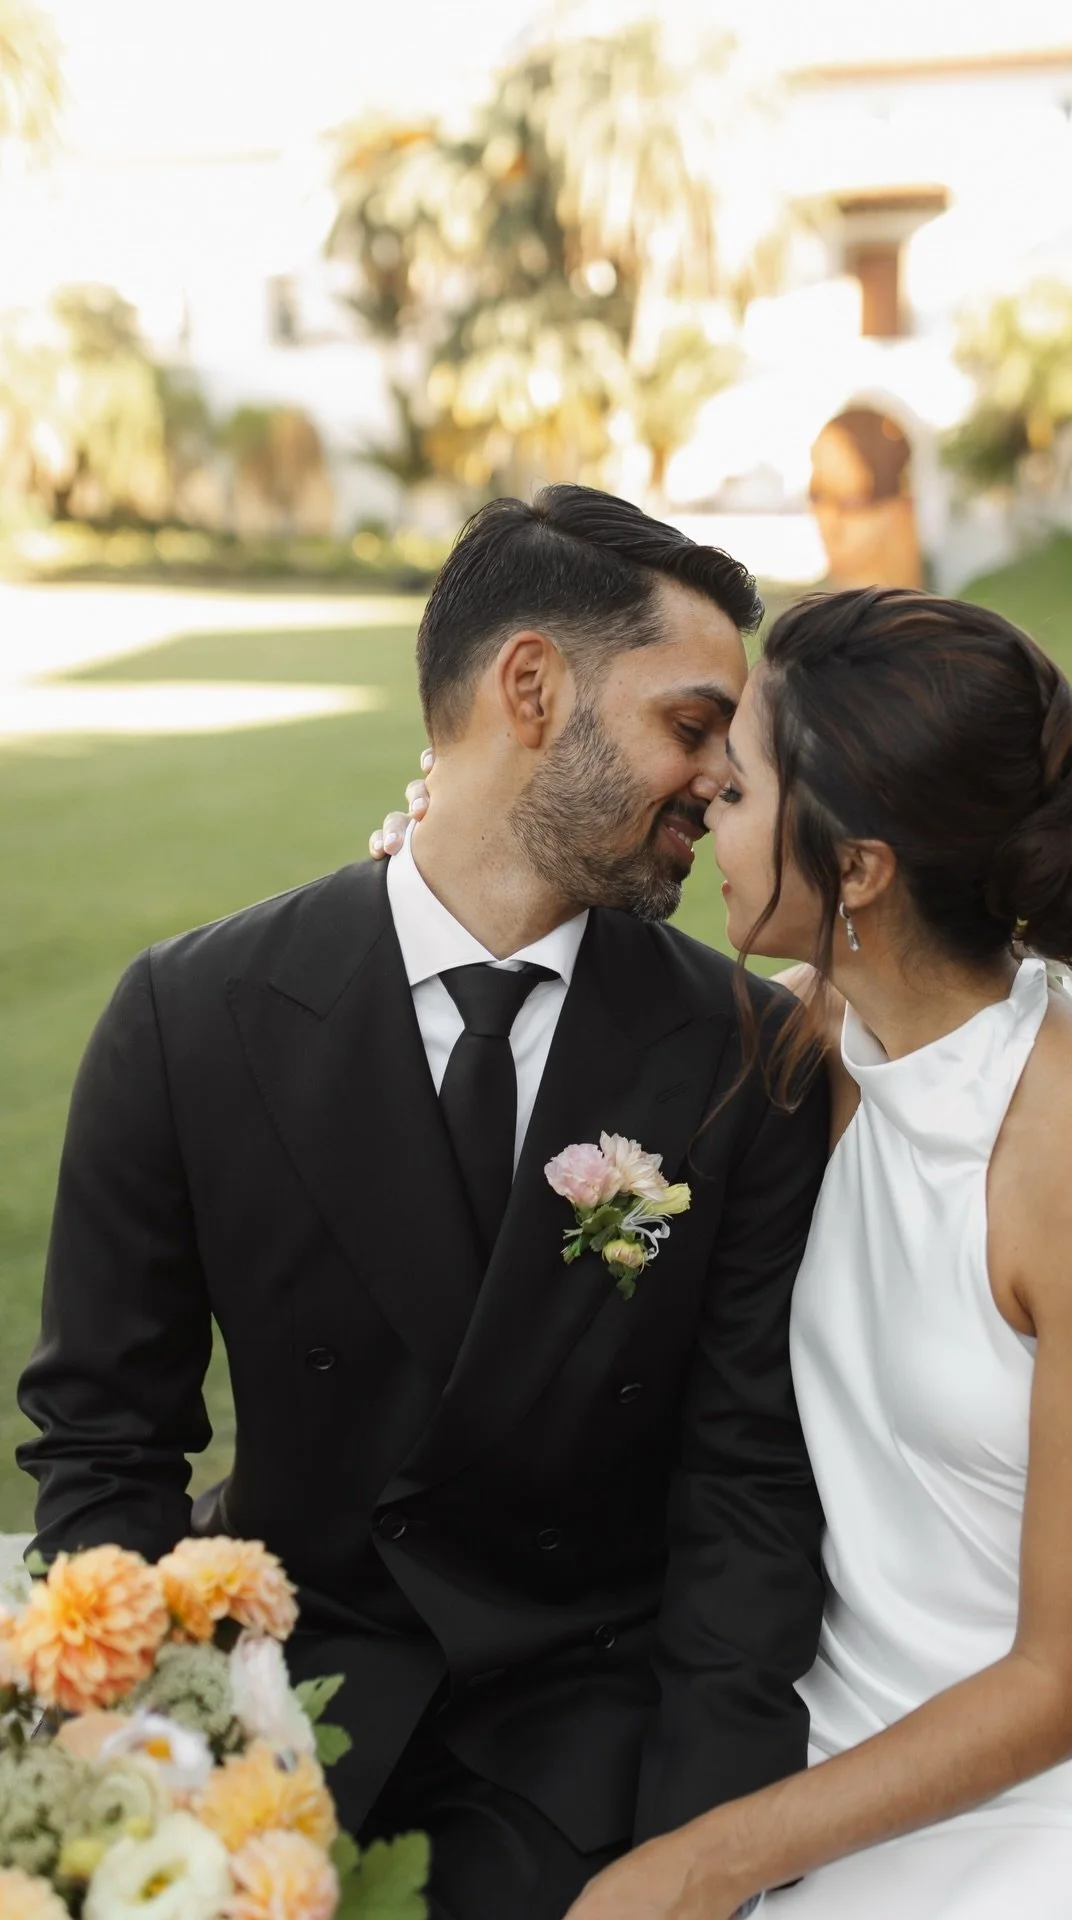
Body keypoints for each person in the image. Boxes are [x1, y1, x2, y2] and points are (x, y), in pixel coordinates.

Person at [385, 584, 1072, 1919]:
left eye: (740, 787)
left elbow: (1064, 1685)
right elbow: (555, 1007)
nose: (699, 797)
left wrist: (705, 1860)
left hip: (1070, 1790)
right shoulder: (814, 1040)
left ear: (861, 867)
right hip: (815, 1729)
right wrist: (428, 877)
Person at [18, 487, 830, 1920]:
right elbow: (104, 1441)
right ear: (532, 687)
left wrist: (706, 1845)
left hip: (585, 1732)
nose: (717, 779)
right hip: (278, 1696)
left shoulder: (739, 1055)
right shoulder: (190, 1017)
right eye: (693, 725)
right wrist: (142, 1761)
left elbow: (750, 1493)